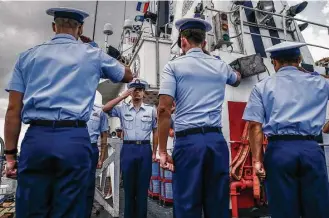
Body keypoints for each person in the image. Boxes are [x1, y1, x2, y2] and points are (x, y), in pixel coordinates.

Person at [4, 7, 132, 218]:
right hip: (74, 139)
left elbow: (13, 110)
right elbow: (127, 75)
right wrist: (92, 47)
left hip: (37, 138)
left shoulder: (27, 57)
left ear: (54, 27)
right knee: (72, 208)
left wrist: (10, 156)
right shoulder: (92, 54)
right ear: (80, 28)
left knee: (31, 207)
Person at [157, 17, 241, 218]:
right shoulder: (220, 66)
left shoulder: (173, 67)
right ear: (204, 42)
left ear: (183, 41)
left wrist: (161, 151)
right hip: (216, 142)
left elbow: (163, 110)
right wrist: (211, 58)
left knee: (187, 205)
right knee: (218, 204)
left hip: (188, 143)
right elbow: (237, 79)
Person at [243, 41, 329, 218]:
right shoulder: (320, 83)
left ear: (274, 62)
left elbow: (254, 126)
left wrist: (258, 161)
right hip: (311, 149)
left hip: (279, 151)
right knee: (318, 208)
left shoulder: (262, 86)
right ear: (299, 59)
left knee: (283, 210)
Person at [103, 78, 158, 218]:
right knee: (128, 189)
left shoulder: (151, 111)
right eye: (134, 89)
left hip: (145, 149)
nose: (137, 92)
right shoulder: (122, 109)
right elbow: (106, 108)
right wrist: (123, 96)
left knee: (142, 190)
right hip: (128, 150)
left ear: (144, 92)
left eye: (139, 89)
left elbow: (156, 131)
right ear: (130, 92)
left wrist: (155, 152)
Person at [86, 103, 109, 218]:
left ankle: (92, 208)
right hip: (75, 146)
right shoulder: (73, 107)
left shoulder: (100, 111)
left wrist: (101, 157)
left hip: (92, 147)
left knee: (90, 181)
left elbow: (104, 135)